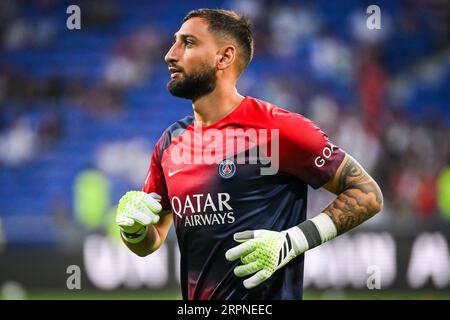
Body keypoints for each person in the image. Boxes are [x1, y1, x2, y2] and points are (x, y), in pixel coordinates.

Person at [115, 9, 383, 300]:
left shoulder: (278, 128)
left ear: (224, 57)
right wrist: (134, 230)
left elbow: (367, 194)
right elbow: (150, 241)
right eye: (174, 42)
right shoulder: (170, 142)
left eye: (188, 43)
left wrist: (292, 241)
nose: (170, 54)